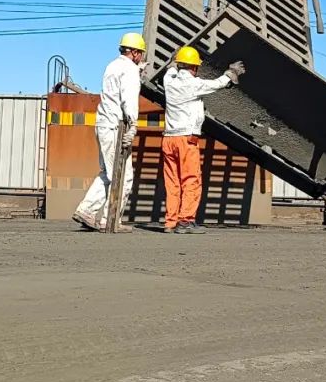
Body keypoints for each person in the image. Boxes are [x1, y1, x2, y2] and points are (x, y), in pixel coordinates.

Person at [161, 46, 245, 234]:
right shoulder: (193, 84)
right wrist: (231, 73)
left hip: (168, 139)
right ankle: (185, 221)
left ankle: (170, 221)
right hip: (186, 140)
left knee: (172, 182)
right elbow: (216, 84)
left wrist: (174, 60)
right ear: (194, 67)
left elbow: (170, 69)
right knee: (191, 180)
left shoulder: (169, 82)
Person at [73, 33, 146, 231]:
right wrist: (133, 125)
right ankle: (111, 220)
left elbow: (114, 92)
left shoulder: (112, 66)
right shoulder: (129, 70)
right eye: (141, 54)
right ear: (135, 53)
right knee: (124, 176)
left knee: (107, 172)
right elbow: (128, 99)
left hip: (103, 123)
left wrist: (136, 72)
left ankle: (86, 210)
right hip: (115, 127)